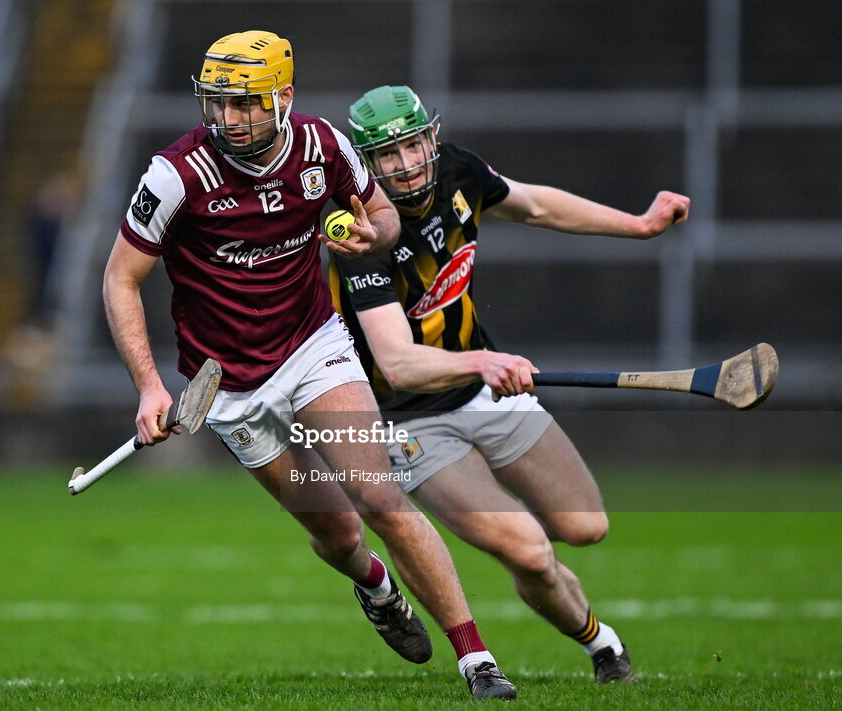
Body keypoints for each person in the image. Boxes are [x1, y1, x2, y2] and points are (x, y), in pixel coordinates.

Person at [104, 34, 517, 700]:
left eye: (245, 104)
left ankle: (476, 658)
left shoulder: (323, 146)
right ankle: (376, 587)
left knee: (380, 497)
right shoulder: (176, 175)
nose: (228, 119)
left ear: (283, 98)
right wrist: (149, 385)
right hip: (227, 384)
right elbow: (120, 278)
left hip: (312, 347)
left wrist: (369, 235)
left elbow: (381, 215)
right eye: (218, 104)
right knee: (337, 529)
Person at [328, 84, 691, 684]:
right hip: (410, 421)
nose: (404, 165)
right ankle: (602, 644)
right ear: (366, 166)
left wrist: (640, 225)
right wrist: (482, 365)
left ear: (431, 138)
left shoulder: (459, 172)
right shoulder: (361, 235)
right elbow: (396, 362)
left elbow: (537, 205)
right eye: (386, 155)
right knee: (528, 549)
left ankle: (554, 581)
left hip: (485, 393)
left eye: (412, 146)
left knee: (585, 527)